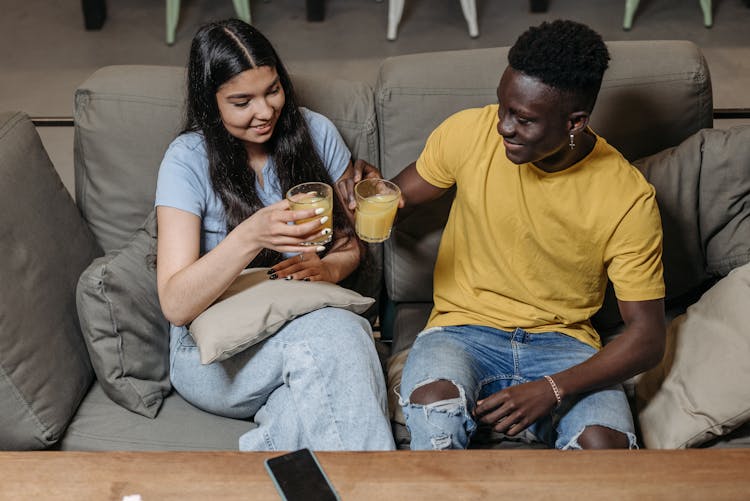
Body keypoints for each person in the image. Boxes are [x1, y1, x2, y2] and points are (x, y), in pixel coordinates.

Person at [391, 20, 666, 450]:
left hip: (566, 347)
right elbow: (394, 202)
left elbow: (647, 339)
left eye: (524, 119)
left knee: (604, 447)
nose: (502, 126)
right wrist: (366, 199)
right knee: (435, 410)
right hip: (462, 331)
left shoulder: (627, 197)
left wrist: (553, 389)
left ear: (575, 122)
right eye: (502, 107)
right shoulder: (467, 132)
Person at [154, 18, 394, 451]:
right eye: (242, 101)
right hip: (214, 354)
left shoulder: (315, 133)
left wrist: (326, 269)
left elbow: (348, 247)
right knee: (342, 337)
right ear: (211, 105)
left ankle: (261, 462)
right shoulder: (186, 160)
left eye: (272, 91)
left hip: (303, 324)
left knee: (304, 404)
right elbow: (175, 304)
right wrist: (250, 235)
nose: (264, 111)